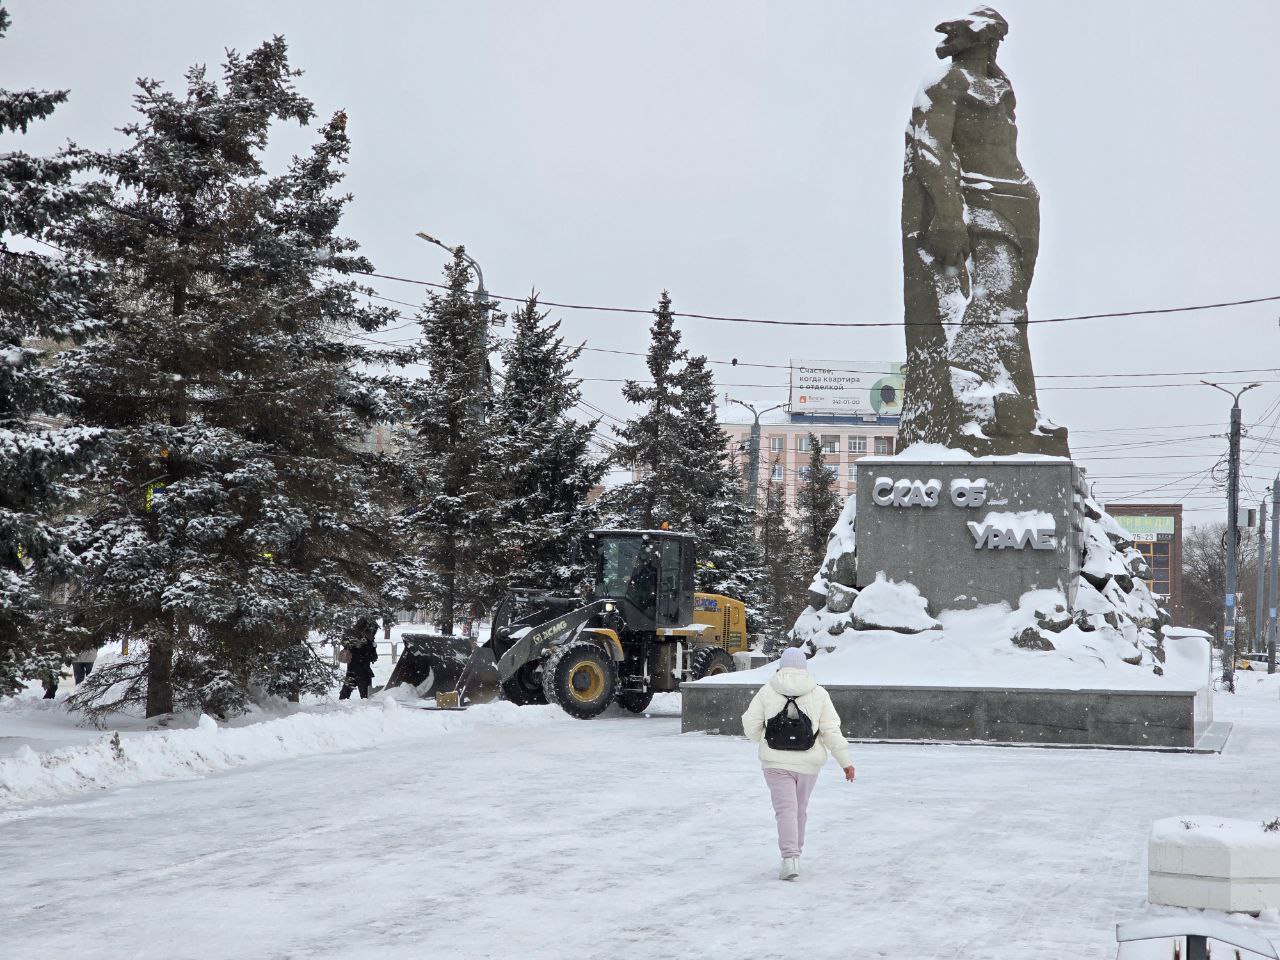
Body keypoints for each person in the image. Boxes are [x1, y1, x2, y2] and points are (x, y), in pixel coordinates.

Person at [741, 646, 855, 881]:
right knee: (799, 810)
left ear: (781, 666)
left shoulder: (767, 690)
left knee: (785, 810)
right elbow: (830, 730)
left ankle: (789, 859)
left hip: (774, 762)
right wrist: (845, 762)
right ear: (804, 667)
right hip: (808, 763)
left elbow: (750, 723)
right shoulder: (819, 693)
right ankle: (795, 855)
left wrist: (763, 738)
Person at [338, 616, 379, 700]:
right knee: (365, 692)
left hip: (352, 666)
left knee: (349, 684)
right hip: (363, 667)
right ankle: (365, 704)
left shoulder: (352, 635)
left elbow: (347, 646)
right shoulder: (366, 638)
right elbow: (372, 656)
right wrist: (373, 647)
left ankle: (342, 699)